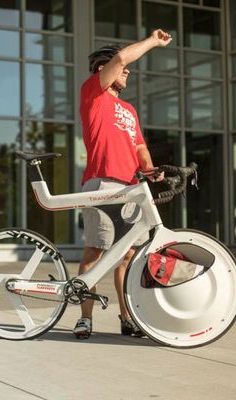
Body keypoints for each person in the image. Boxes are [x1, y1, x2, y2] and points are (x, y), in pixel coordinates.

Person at [73, 30, 172, 340]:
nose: (127, 71)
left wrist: (149, 169)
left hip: (130, 186)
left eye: (127, 69)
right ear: (102, 71)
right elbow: (122, 58)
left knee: (126, 255)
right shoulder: (93, 93)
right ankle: (85, 319)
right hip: (101, 182)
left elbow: (139, 146)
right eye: (121, 69)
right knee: (95, 252)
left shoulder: (128, 110)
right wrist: (153, 42)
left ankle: (127, 318)